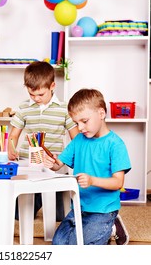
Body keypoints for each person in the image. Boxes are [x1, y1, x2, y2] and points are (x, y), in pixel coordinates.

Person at [43, 88, 131, 245]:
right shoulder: (78, 140)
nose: (80, 128)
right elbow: (58, 165)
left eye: (84, 121)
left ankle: (111, 225)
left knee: (78, 246)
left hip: (103, 210)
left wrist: (92, 181)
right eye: (77, 123)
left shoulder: (115, 144)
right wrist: (51, 163)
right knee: (58, 244)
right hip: (79, 207)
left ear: (101, 114)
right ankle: (102, 231)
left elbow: (118, 183)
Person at [7, 61, 79, 221]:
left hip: (54, 167)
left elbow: (77, 138)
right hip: (29, 165)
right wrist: (11, 147)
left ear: (52, 86)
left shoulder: (64, 109)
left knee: (59, 217)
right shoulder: (24, 108)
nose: (36, 99)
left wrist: (65, 159)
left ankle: (41, 196)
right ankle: (35, 196)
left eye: (40, 95)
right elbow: (13, 135)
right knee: (19, 216)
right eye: (31, 94)